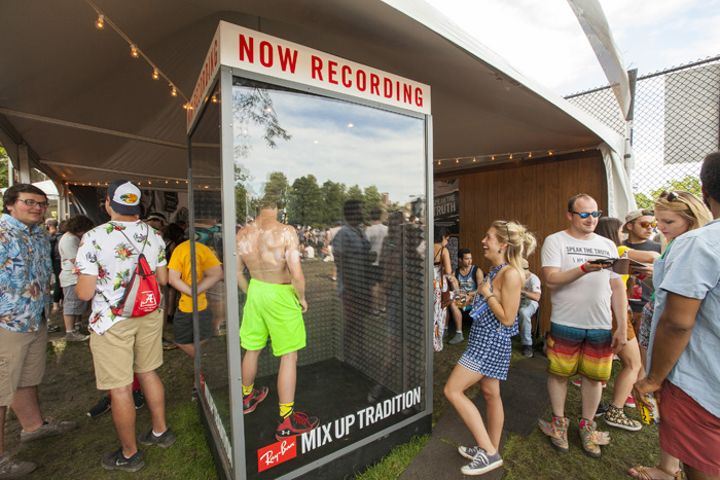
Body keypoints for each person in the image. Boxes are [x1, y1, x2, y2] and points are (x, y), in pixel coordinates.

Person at [75, 180, 174, 472]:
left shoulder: (94, 237)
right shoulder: (154, 234)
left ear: (108, 202)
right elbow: (163, 279)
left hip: (112, 319)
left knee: (120, 389)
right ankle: (160, 431)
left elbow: (84, 292)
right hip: (149, 312)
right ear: (137, 204)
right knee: (149, 371)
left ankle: (129, 454)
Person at [629, 187, 713, 480]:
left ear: (692, 218)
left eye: (668, 223)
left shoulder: (694, 245)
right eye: (657, 223)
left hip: (682, 352)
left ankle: (670, 467)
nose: (661, 229)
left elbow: (679, 320)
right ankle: (669, 466)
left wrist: (653, 377)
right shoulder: (676, 245)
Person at [538, 194, 628, 458]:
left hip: (600, 324)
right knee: (559, 374)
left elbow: (617, 285)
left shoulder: (608, 244)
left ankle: (587, 426)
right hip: (565, 321)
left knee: (595, 378)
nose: (591, 219)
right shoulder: (556, 240)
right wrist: (584, 268)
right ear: (570, 215)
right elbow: (552, 280)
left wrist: (621, 325)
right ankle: (559, 423)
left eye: (595, 214)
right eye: (585, 214)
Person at [444, 220, 536, 476]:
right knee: (490, 394)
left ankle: (488, 451)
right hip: (483, 340)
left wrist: (486, 293)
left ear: (503, 245)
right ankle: (490, 448)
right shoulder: (497, 270)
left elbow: (507, 318)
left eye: (488, 237)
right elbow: (482, 299)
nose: (483, 241)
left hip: (489, 344)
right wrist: (461, 297)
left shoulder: (512, 274)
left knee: (452, 390)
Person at [0, 184, 77, 478]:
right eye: (29, 202)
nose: (36, 208)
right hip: (7, 322)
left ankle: (33, 427)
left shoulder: (37, 235)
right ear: (10, 204)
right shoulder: (3, 233)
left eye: (42, 204)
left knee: (26, 379)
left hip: (34, 317)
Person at [236, 196, 318, 440]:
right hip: (280, 293)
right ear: (277, 205)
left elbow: (236, 272)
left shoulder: (243, 233)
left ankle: (247, 397)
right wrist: (301, 298)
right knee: (289, 355)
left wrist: (250, 292)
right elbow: (297, 273)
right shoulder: (286, 231)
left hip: (256, 289)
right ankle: (287, 420)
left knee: (252, 348)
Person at [593, 217, 657, 432]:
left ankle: (596, 405)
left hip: (600, 309)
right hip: (615, 311)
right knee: (633, 364)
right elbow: (654, 256)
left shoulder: (598, 253)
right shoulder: (619, 250)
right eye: (620, 230)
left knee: (600, 361)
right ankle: (616, 410)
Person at [168, 236, 223, 363]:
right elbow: (218, 273)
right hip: (203, 304)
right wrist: (198, 289)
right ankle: (202, 363)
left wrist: (191, 292)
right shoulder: (204, 249)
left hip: (186, 306)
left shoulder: (180, 249)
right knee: (203, 337)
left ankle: (202, 362)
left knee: (181, 341)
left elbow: (172, 279)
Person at [623, 209, 661, 333]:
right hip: (623, 305)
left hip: (647, 305)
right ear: (629, 225)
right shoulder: (618, 246)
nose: (650, 228)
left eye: (653, 225)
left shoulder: (658, 248)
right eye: (644, 224)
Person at [58, 215, 95, 341]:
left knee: (78, 303)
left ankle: (77, 326)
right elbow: (77, 260)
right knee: (72, 303)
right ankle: (70, 332)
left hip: (76, 276)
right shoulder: (69, 239)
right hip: (71, 276)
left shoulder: (73, 237)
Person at [447, 248, 483, 345]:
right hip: (463, 299)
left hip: (475, 298)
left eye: (470, 258)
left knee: (456, 302)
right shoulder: (456, 273)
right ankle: (459, 334)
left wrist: (468, 295)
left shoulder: (476, 270)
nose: (470, 261)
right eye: (467, 259)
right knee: (452, 303)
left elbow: (481, 289)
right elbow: (456, 291)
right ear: (460, 260)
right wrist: (458, 291)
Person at [432, 227, 455, 351]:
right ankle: (436, 343)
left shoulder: (425, 247)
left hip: (428, 282)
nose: (447, 241)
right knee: (439, 313)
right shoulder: (443, 250)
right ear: (442, 237)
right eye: (447, 239)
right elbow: (449, 270)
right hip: (439, 285)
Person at [365, 207, 388, 315]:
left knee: (373, 286)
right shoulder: (386, 229)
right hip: (385, 261)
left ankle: (375, 309)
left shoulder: (369, 230)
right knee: (383, 285)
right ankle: (383, 307)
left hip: (372, 262)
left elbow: (365, 246)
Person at [518, 258, 541, 357]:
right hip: (517, 301)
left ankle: (527, 344)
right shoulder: (515, 277)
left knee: (524, 313)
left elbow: (537, 297)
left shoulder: (533, 278)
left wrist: (522, 292)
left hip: (531, 302)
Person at [45, 218, 63, 317]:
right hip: (59, 261)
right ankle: (59, 303)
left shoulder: (47, 237)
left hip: (54, 262)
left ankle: (56, 305)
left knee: (57, 282)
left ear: (48, 225)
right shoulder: (60, 236)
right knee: (59, 282)